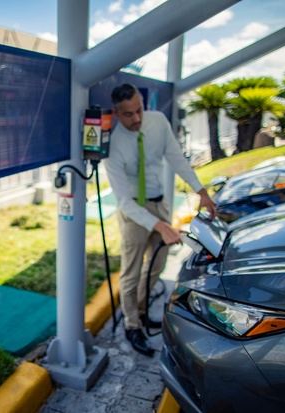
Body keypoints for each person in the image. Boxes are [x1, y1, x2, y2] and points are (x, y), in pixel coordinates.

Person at [104, 83, 216, 357]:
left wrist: (200, 191)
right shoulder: (113, 146)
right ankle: (131, 326)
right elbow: (124, 202)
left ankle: (141, 312)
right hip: (134, 213)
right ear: (117, 113)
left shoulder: (157, 122)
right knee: (130, 272)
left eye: (139, 110)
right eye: (129, 114)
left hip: (159, 203)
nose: (137, 119)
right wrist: (160, 226)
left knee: (157, 265)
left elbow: (176, 158)